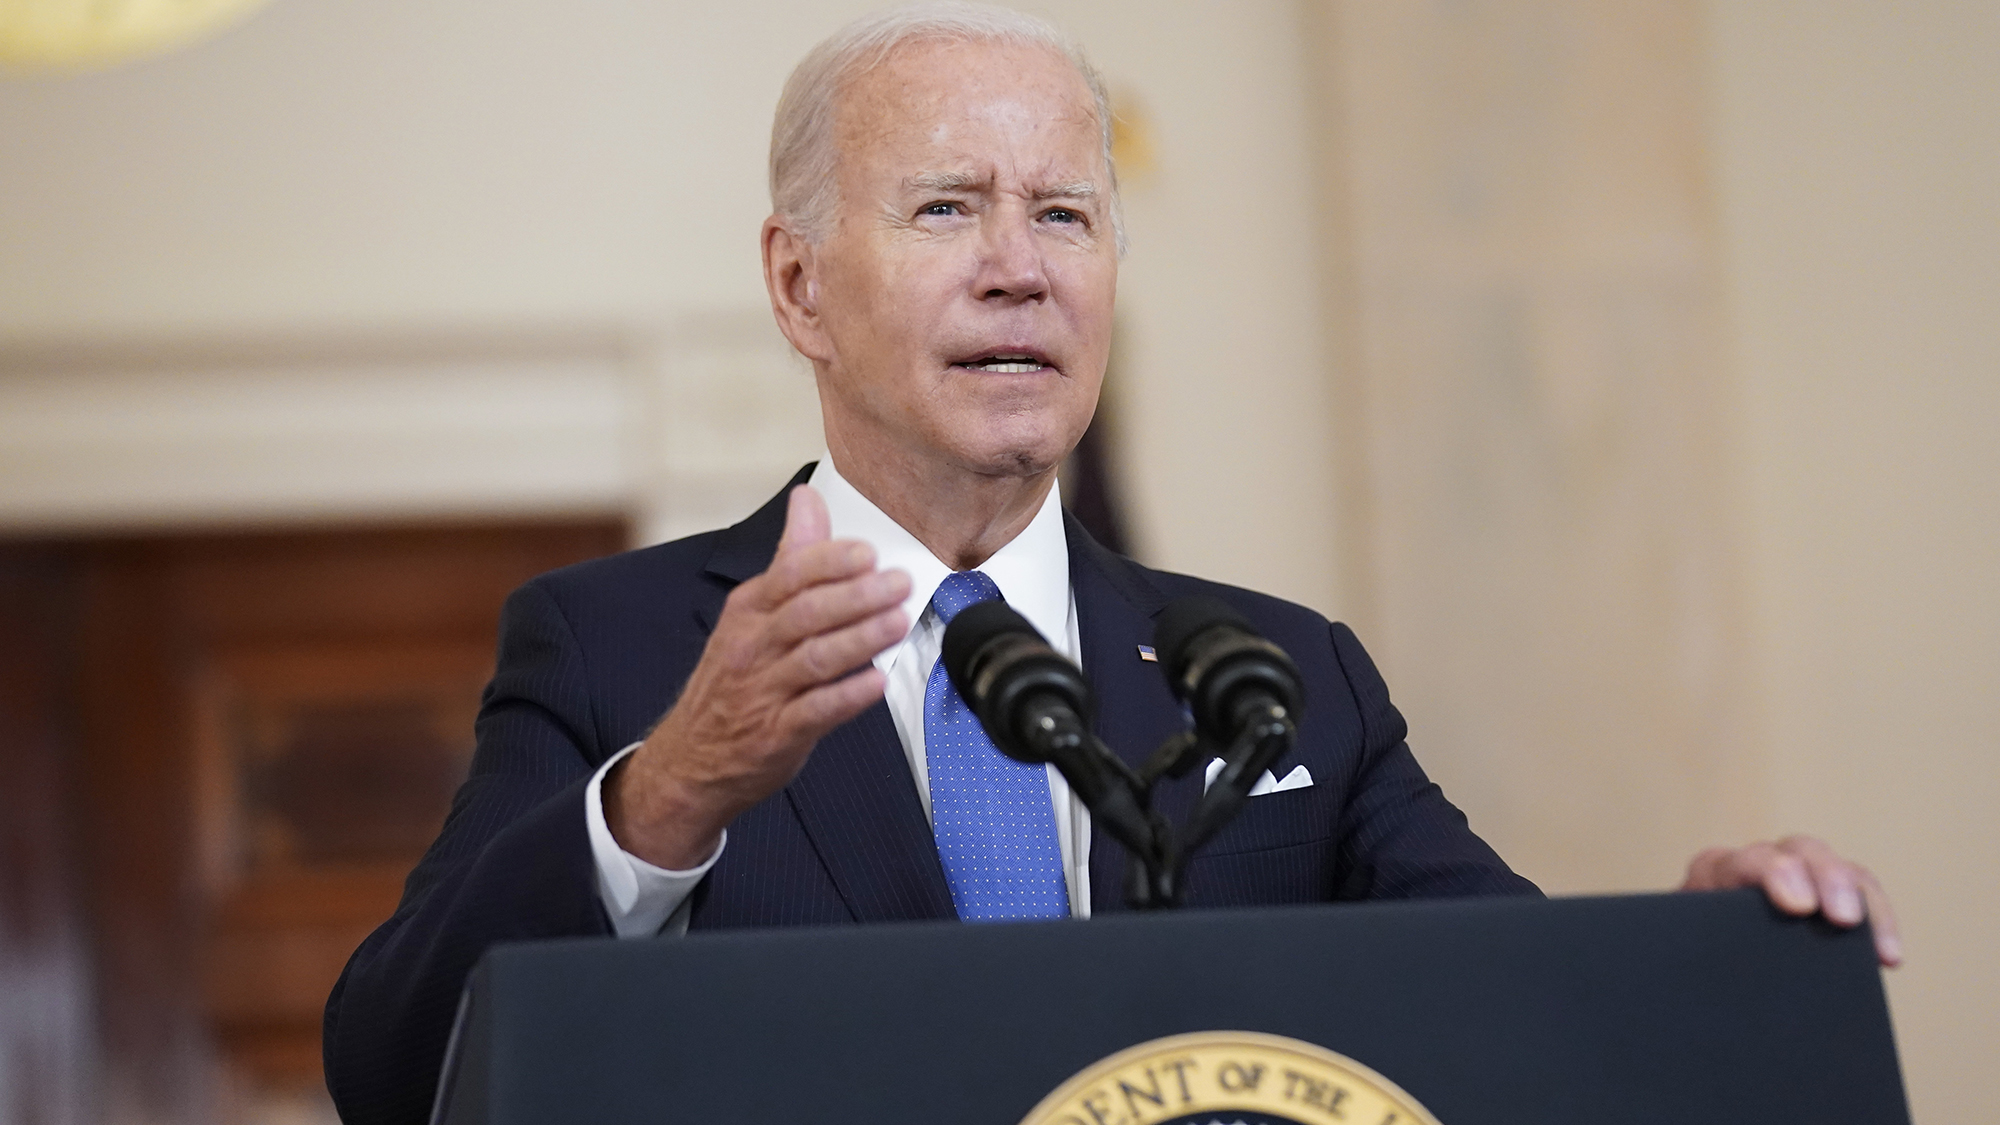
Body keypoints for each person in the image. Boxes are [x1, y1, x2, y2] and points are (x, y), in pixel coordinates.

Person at [322, 5, 1899, 1121]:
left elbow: (1511, 1013)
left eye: (1065, 213)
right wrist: (663, 800)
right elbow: (394, 1068)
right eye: (948, 207)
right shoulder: (618, 648)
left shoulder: (1288, 682)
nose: (1019, 264)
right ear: (799, 284)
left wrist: (1704, 951)